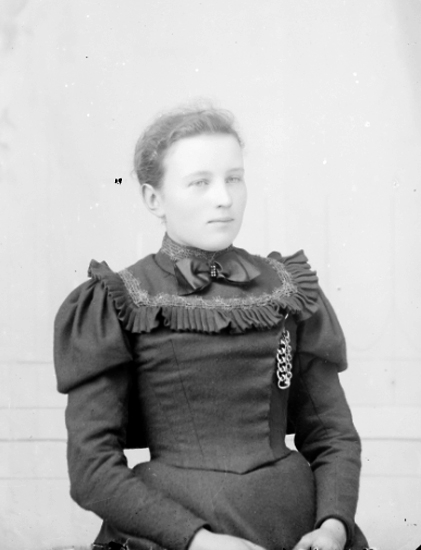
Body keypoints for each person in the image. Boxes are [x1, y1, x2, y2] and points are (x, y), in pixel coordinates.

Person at [54, 106, 370, 550]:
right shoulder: (118, 299)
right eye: (200, 182)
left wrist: (333, 526)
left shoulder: (287, 288)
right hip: (174, 529)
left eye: (234, 178)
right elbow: (91, 470)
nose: (223, 198)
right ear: (153, 199)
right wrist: (199, 542)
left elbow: (332, 434)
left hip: (298, 524)